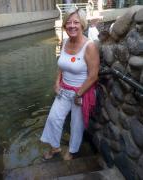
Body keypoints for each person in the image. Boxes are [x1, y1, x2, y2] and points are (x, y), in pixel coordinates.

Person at [40, 7, 100, 161]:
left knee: (76, 125)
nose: (72, 25)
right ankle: (55, 147)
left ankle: (72, 151)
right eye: (68, 22)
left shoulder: (90, 46)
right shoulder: (65, 41)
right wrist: (56, 82)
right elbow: (61, 65)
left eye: (76, 22)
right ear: (65, 25)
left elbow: (93, 76)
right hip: (64, 90)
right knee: (53, 118)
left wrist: (78, 94)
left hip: (81, 93)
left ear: (82, 25)